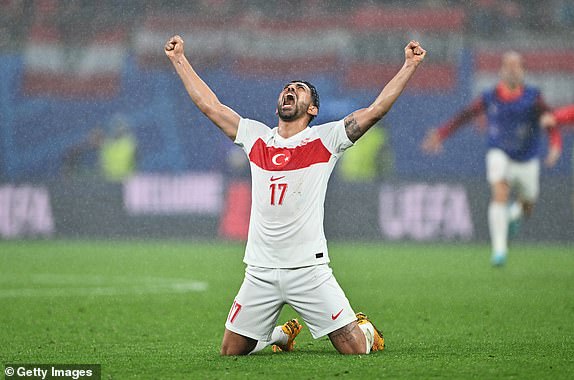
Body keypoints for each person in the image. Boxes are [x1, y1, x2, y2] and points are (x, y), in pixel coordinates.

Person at [165, 35, 426, 355]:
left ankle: (366, 330)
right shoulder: (256, 137)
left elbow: (376, 109)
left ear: (312, 108)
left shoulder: (326, 139)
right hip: (260, 270)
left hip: (308, 269)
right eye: (287, 88)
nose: (290, 90)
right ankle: (281, 336)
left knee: (356, 350)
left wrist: (409, 65)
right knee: (231, 352)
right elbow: (210, 105)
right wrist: (179, 59)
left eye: (299, 89)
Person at [421, 51, 562, 267]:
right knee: (499, 191)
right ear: (502, 70)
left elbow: (550, 120)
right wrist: (441, 134)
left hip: (527, 158)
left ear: (523, 71)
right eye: (508, 66)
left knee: (528, 204)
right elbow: (465, 116)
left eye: (517, 66)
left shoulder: (533, 96)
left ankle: (513, 216)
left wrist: (554, 145)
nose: (513, 70)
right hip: (500, 152)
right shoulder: (491, 96)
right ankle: (499, 250)